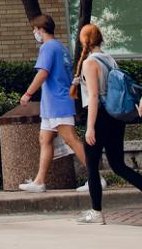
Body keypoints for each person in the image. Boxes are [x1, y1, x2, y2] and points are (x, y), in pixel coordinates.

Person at [75, 24, 142, 224]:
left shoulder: (89, 62)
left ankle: (96, 212)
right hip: (115, 118)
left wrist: (90, 127)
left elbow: (94, 96)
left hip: (100, 117)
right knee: (118, 165)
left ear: (84, 40)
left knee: (92, 165)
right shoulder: (110, 59)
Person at [18, 14, 88, 192]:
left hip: (57, 102)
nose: (34, 33)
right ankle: (39, 181)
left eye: (35, 29)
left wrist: (27, 93)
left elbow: (43, 73)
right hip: (54, 103)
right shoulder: (61, 48)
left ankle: (96, 178)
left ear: (42, 29)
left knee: (71, 139)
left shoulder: (48, 47)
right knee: (45, 139)